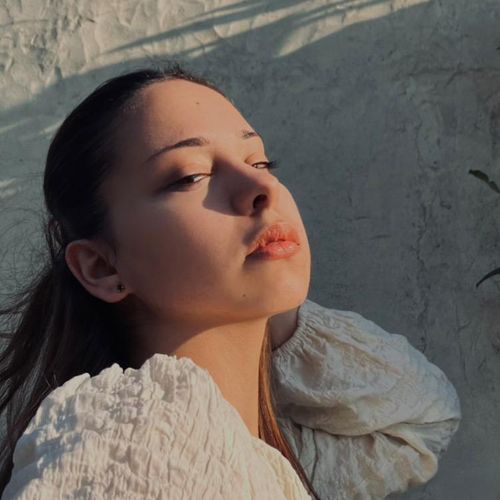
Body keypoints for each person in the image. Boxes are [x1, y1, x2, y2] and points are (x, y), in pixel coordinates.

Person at [0, 64, 460, 499]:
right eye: (190, 176)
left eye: (259, 162)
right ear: (102, 267)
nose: (263, 189)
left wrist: (273, 319)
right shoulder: (130, 441)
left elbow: (420, 420)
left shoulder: (269, 454)